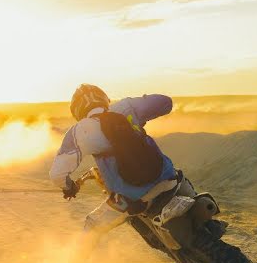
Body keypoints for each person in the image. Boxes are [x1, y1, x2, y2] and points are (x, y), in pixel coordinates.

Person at [49, 84, 180, 240]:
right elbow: (165, 102)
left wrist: (69, 187)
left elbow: (57, 174)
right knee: (183, 181)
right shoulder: (126, 107)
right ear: (103, 98)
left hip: (132, 197)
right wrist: (139, 117)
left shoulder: (79, 132)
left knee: (91, 227)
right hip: (168, 176)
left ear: (77, 110)